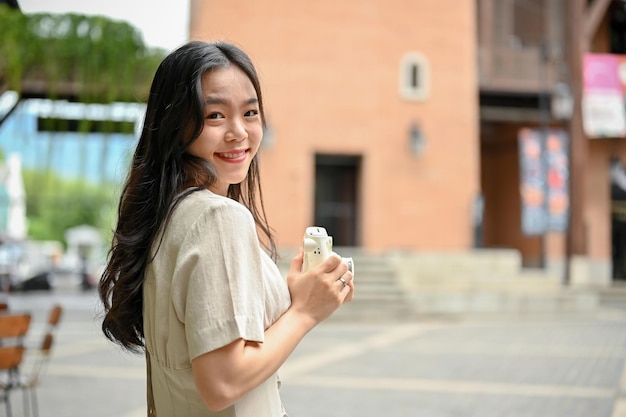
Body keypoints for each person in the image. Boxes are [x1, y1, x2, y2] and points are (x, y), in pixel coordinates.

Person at [97, 40, 354, 417]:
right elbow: (222, 383)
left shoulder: (170, 215)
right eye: (214, 115)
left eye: (250, 113)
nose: (239, 132)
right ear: (175, 124)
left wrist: (295, 295)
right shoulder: (218, 218)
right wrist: (305, 312)